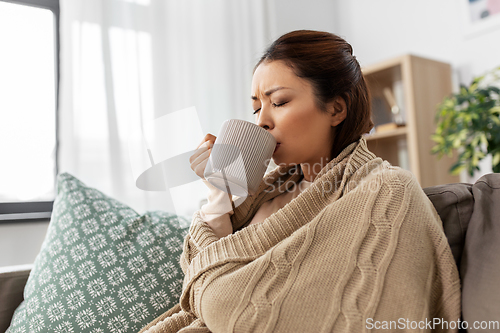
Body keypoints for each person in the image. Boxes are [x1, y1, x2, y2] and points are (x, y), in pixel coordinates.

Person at [139, 30, 461, 333]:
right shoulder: (265, 190)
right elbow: (204, 279)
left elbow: (223, 303)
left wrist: (211, 293)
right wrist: (220, 196)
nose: (262, 120)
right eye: (256, 108)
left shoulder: (386, 192)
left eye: (278, 102)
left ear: (336, 109)